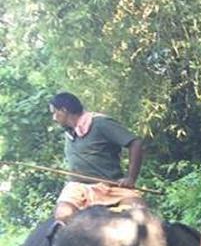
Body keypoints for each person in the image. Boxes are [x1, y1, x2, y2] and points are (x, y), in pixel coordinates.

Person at [48, 91, 144, 224]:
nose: (54, 117)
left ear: (64, 110)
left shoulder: (100, 123)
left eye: (55, 112)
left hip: (112, 187)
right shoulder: (69, 133)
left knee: (139, 213)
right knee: (63, 215)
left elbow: (135, 143)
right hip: (78, 188)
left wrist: (131, 178)